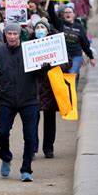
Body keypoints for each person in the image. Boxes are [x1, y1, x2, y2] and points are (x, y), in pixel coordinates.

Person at [0, 23, 43, 182]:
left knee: (30, 137)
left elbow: (40, 74)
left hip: (29, 99)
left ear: (19, 35)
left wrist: (45, 66)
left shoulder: (30, 50)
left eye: (15, 34)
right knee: (1, 133)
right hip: (7, 99)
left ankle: (26, 169)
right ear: (5, 35)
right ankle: (6, 157)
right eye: (9, 33)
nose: (12, 36)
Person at [46, 0, 96, 84]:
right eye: (66, 12)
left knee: (71, 74)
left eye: (70, 12)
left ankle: (73, 95)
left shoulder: (79, 27)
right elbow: (52, 14)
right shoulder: (60, 24)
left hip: (76, 56)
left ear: (74, 14)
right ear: (63, 15)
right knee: (63, 77)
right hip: (63, 57)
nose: (68, 14)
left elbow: (85, 44)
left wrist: (91, 57)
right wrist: (51, 0)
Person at [32, 18, 61, 159]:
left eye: (42, 27)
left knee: (50, 120)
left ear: (48, 30)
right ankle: (33, 147)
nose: (40, 30)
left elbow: (66, 63)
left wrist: (53, 65)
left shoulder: (56, 44)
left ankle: (48, 148)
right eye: (37, 27)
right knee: (32, 119)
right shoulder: (29, 45)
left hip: (50, 88)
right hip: (34, 88)